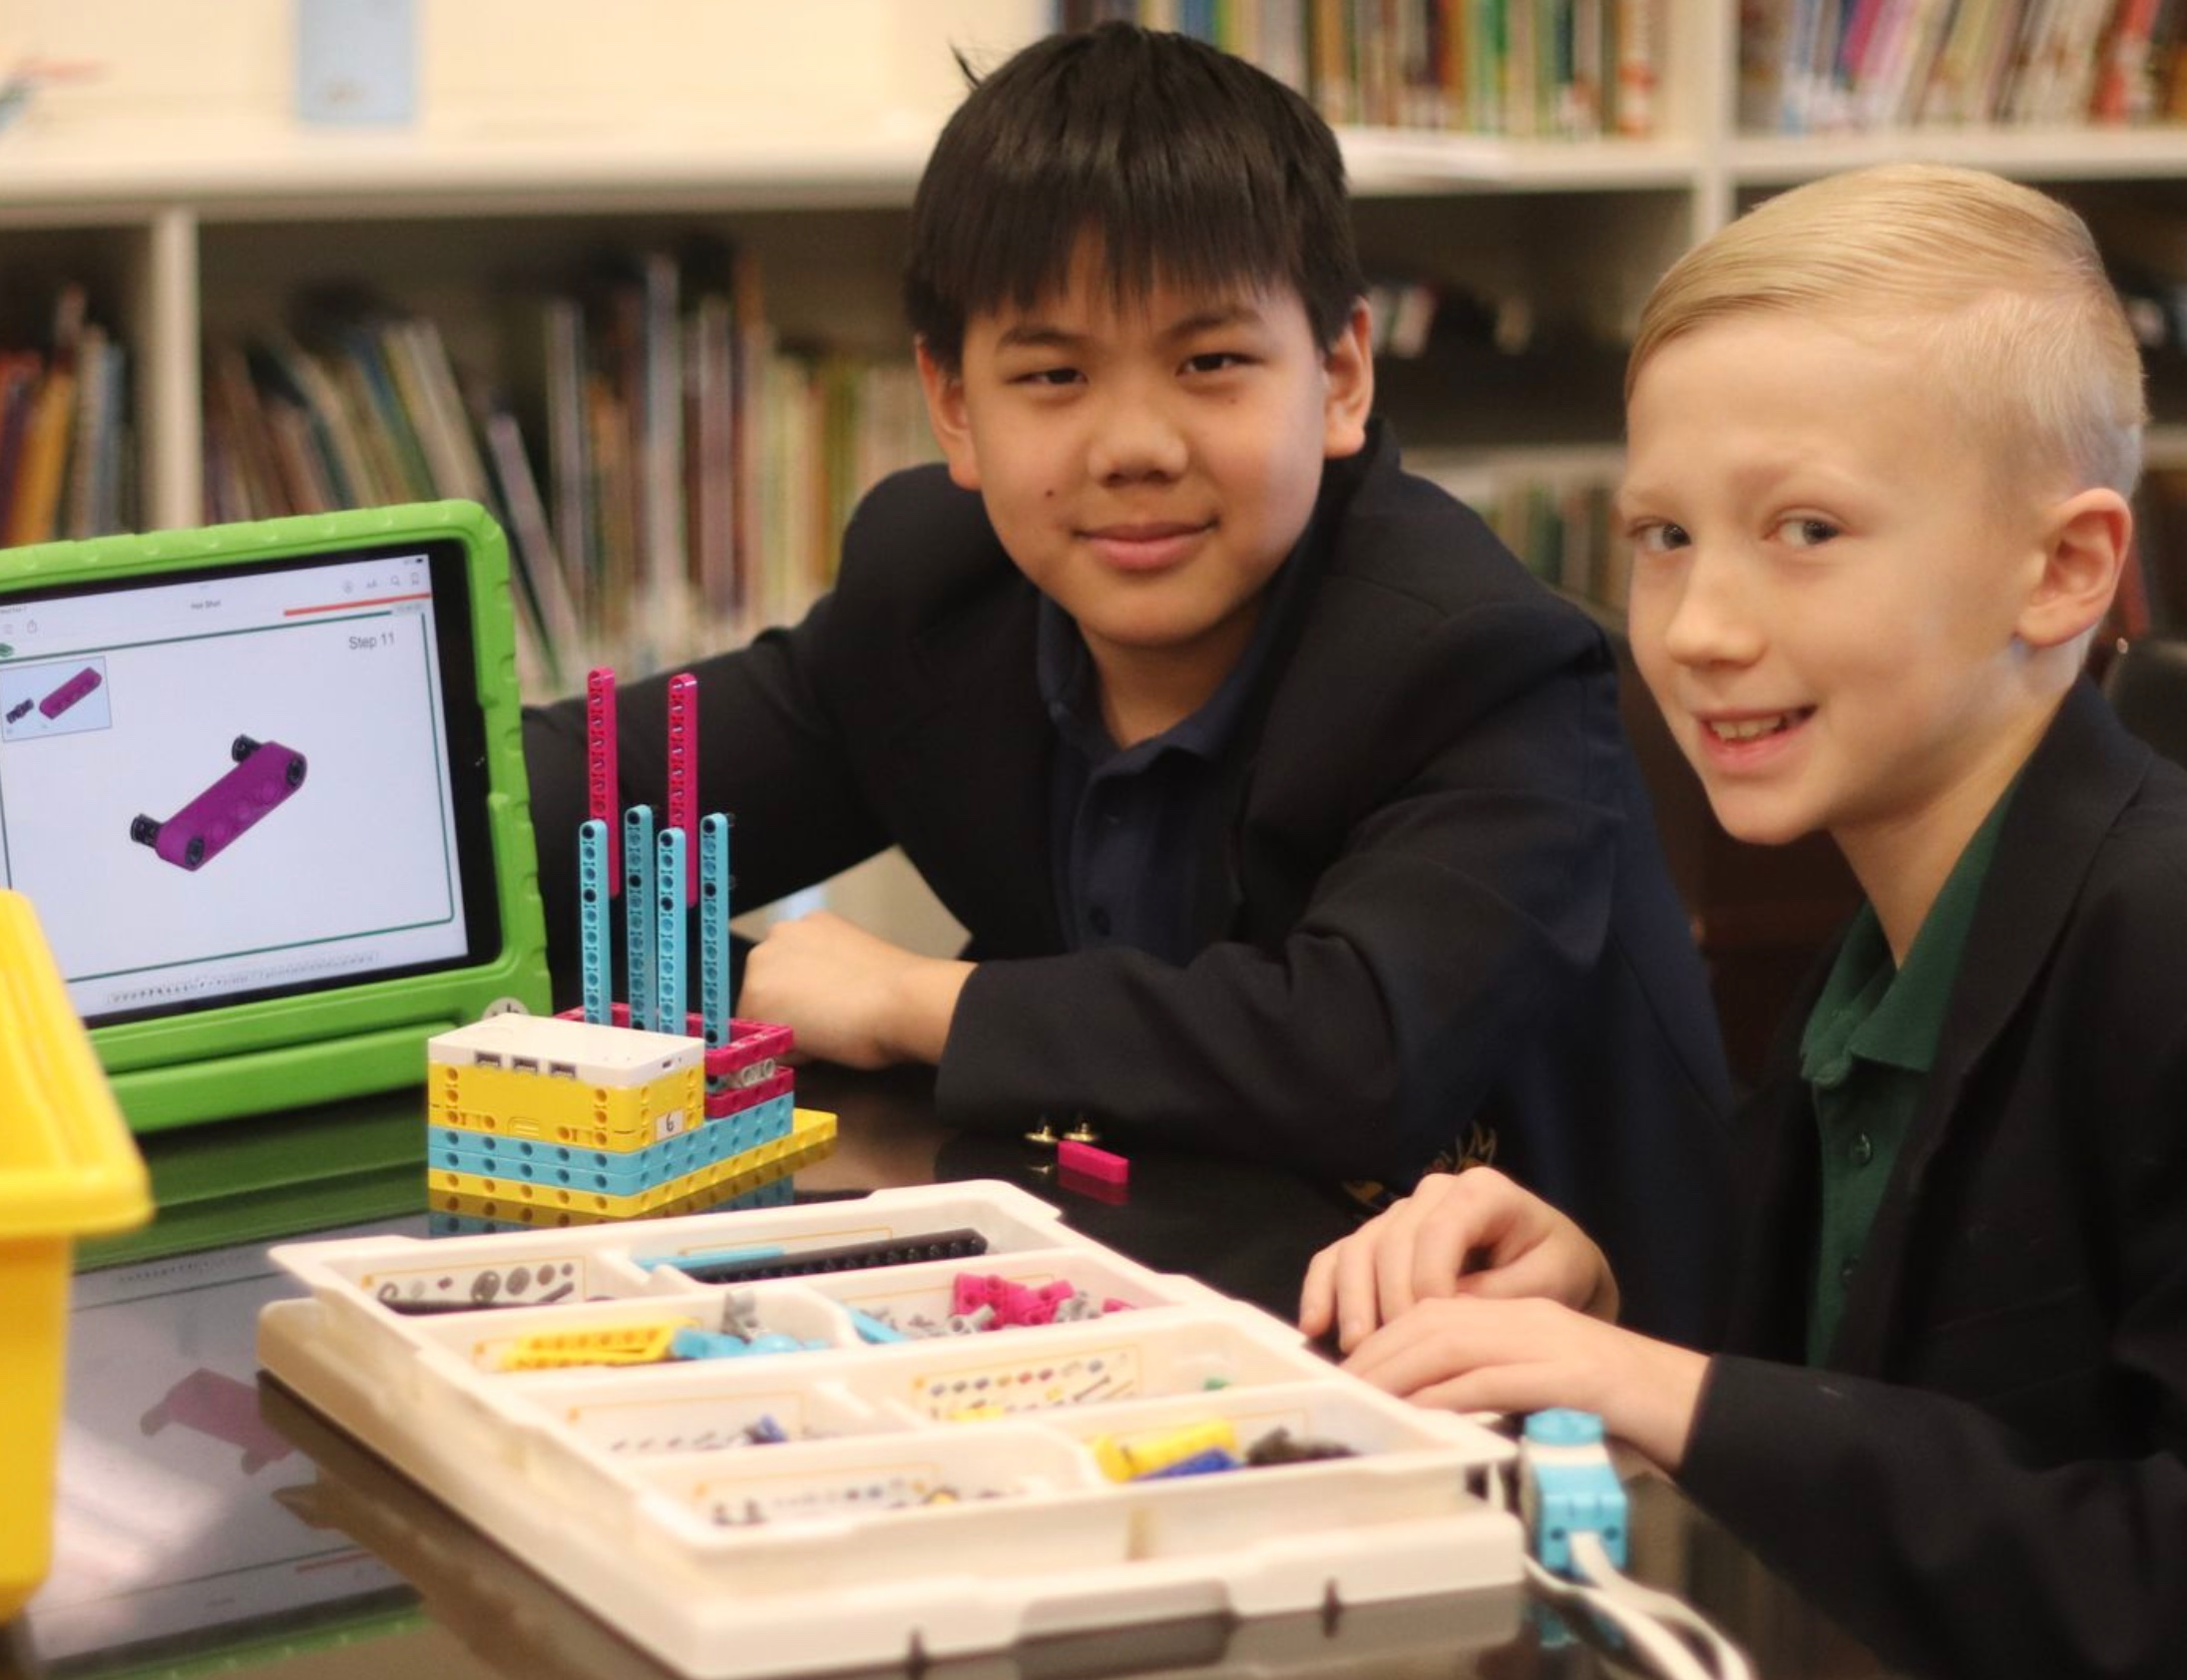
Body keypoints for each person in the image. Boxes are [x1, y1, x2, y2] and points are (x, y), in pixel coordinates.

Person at [524, 22, 1732, 1342]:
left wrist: (917, 1000)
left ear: (1338, 376)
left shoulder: (1475, 655)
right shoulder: (936, 592)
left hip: (1544, 1384)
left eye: (1211, 363)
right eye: (1053, 376)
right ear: (953, 405)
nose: (1137, 445)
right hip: (1146, 1303)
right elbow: (588, 806)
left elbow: (1361, 1050)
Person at [1300, 163, 2187, 1679]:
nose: (1700, 630)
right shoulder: (1872, 957)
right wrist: (1607, 1304)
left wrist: (1673, 1395)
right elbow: (1883, 1398)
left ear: (2065, 569)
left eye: (1808, 531)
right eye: (1663, 538)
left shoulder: (2157, 939)